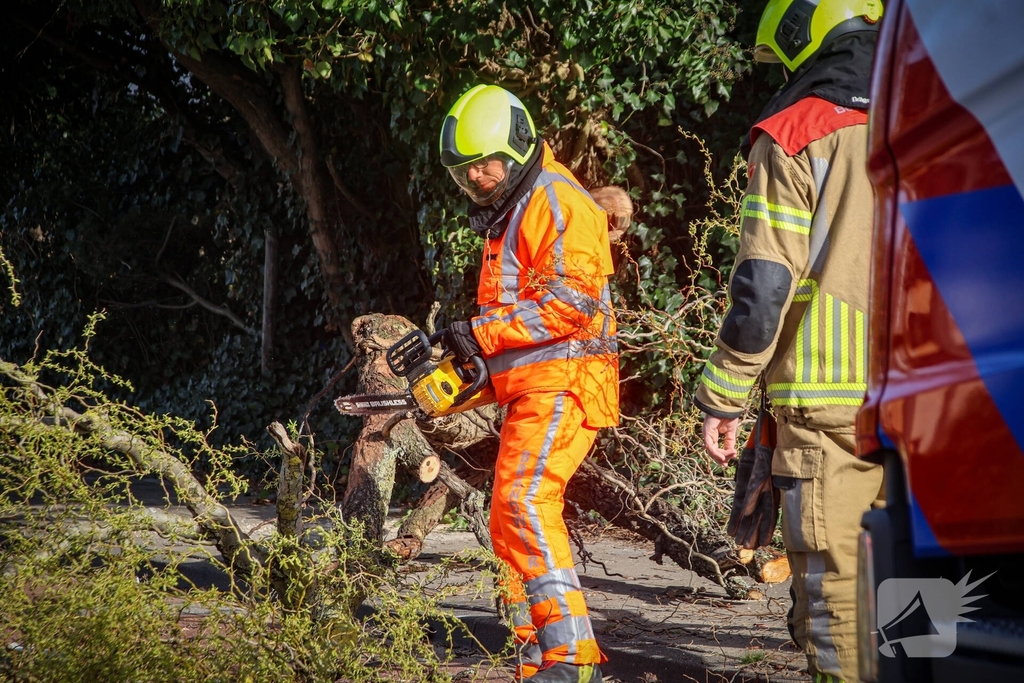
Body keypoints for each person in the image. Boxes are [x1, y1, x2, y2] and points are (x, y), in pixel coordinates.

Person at [694, 1, 885, 681]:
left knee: (837, 602)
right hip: (941, 399)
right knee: (922, 596)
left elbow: (764, 285)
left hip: (831, 409)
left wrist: (723, 391)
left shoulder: (796, 130)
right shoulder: (947, 119)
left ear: (803, 32)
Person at [437, 84, 618, 683]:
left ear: (517, 146)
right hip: (534, 383)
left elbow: (571, 304)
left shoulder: (556, 200)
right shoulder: (510, 213)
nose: (479, 178)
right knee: (504, 515)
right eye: (466, 171)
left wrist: (479, 335)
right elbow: (516, 332)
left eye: (486, 163)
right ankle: (533, 651)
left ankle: (571, 658)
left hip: (569, 381)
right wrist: (459, 365)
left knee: (525, 501)